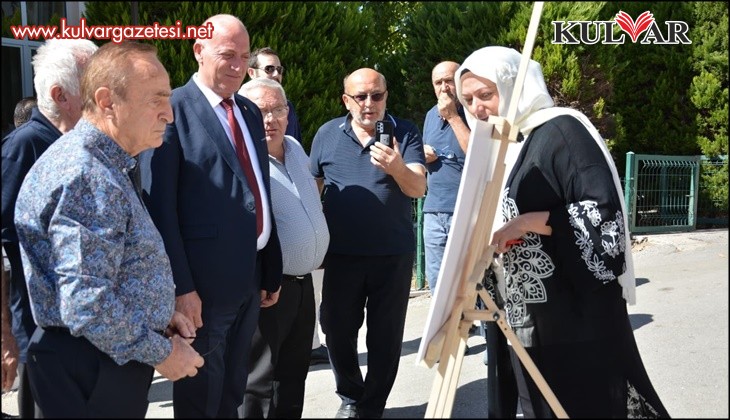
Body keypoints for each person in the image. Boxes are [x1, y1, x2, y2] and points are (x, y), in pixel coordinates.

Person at [455, 46, 670, 418]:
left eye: (485, 94)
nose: (477, 108)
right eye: (468, 99)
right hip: (535, 316)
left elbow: (602, 217)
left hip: (576, 316)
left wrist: (525, 223)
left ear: (512, 86)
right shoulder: (514, 142)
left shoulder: (562, 131)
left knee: (589, 404)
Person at [12, 41, 204, 418]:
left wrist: (158, 314)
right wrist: (163, 353)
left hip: (100, 357)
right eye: (156, 99)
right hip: (91, 366)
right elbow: (87, 302)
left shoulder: (104, 164)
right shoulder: (87, 174)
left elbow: (106, 270)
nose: (169, 113)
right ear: (107, 101)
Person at [138, 14, 283, 418]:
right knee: (201, 395)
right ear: (199, 50)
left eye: (244, 56)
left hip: (249, 280)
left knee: (233, 390)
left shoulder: (250, 113)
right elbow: (159, 209)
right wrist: (181, 289)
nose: (238, 65)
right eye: (227, 55)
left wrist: (270, 266)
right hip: (199, 291)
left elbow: (259, 193)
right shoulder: (172, 111)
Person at [310, 68, 426, 419]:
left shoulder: (403, 132)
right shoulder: (327, 134)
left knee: (385, 337)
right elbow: (314, 190)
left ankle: (372, 406)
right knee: (336, 327)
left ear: (386, 96)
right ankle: (350, 395)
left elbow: (418, 188)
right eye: (360, 96)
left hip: (392, 254)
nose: (369, 103)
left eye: (376, 95)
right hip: (342, 254)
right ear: (346, 100)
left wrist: (397, 168)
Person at [1, 38, 98, 419]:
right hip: (42, 335)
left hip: (81, 330)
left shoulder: (80, 145)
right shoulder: (25, 146)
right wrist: (6, 336)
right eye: (91, 85)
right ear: (60, 94)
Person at [238, 78, 329, 418]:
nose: (270, 119)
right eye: (261, 111)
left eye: (277, 109)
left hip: (303, 285)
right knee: (258, 383)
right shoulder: (243, 160)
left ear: (288, 113)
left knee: (294, 376)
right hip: (268, 289)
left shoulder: (294, 148)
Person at [422, 61, 470, 295]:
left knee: (470, 283)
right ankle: (443, 331)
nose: (444, 87)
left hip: (466, 209)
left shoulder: (473, 111)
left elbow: (477, 153)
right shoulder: (430, 115)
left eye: (449, 81)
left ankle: (479, 331)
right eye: (438, 82)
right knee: (438, 285)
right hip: (433, 210)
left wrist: (452, 116)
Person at [245, 46, 302, 142]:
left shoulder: (288, 107)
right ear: (251, 73)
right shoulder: (240, 107)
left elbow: (294, 143)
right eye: (269, 69)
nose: (276, 74)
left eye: (279, 69)